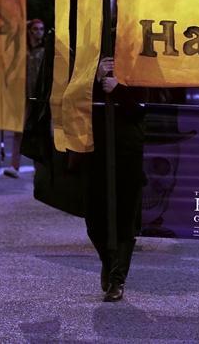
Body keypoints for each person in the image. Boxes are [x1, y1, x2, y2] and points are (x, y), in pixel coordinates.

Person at [75, 56, 148, 301]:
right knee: (94, 220)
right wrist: (95, 80)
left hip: (128, 152)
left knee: (125, 220)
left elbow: (141, 111)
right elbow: (72, 102)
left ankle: (118, 278)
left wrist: (118, 90)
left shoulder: (141, 65)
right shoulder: (89, 60)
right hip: (95, 151)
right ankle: (109, 261)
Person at [5, 19, 47, 178]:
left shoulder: (44, 51)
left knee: (39, 134)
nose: (39, 32)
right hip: (25, 97)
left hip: (40, 98)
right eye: (35, 29)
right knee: (19, 132)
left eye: (41, 29)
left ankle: (39, 169)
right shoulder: (24, 51)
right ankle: (14, 165)